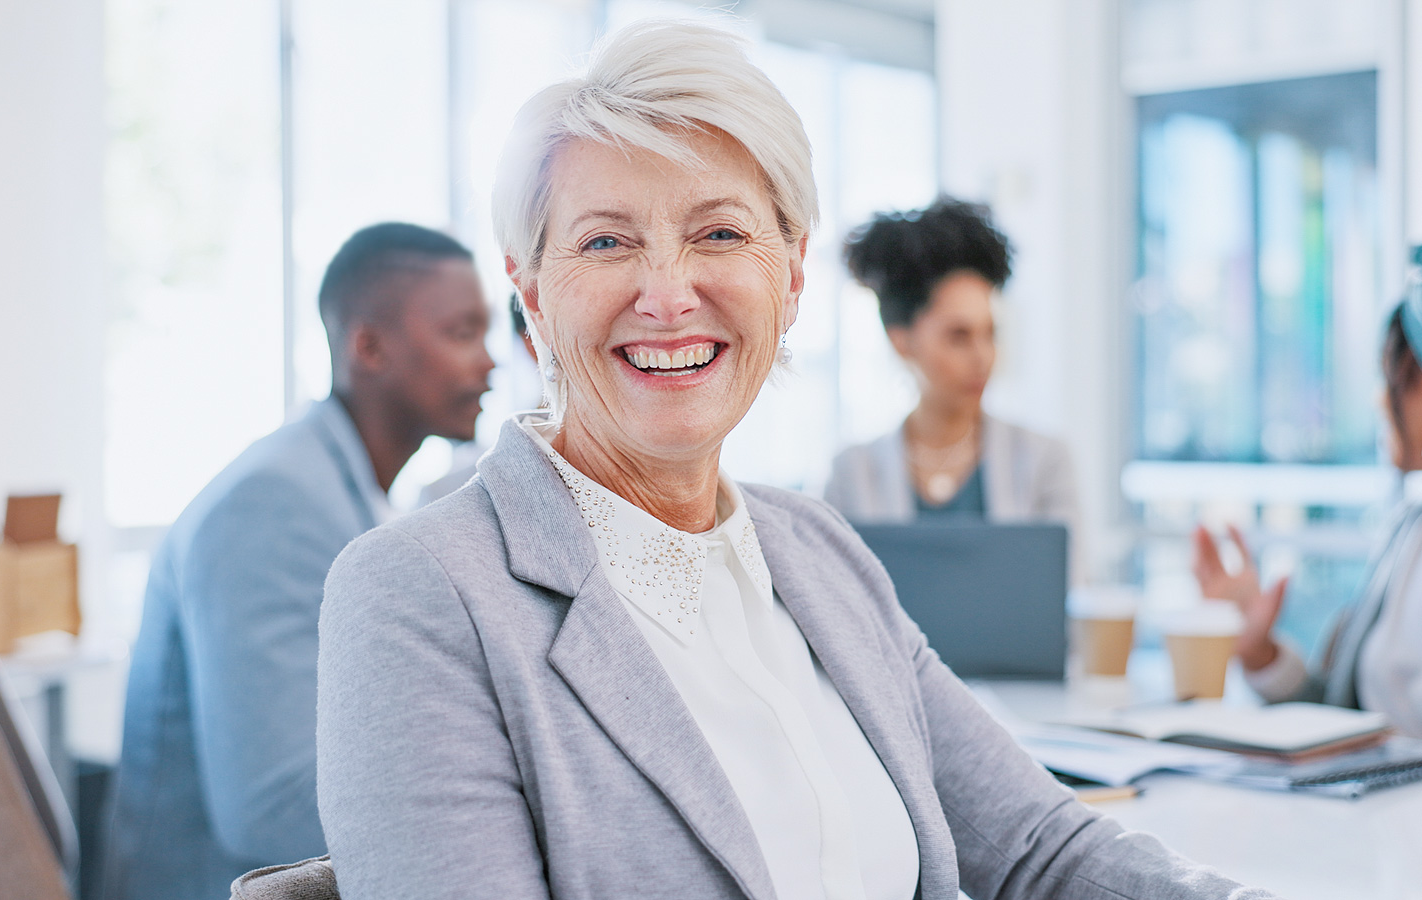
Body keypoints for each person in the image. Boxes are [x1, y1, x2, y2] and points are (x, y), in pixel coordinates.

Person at [316, 21, 1273, 900]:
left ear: (792, 274)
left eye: (719, 233)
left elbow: (1036, 849)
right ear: (530, 292)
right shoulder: (417, 597)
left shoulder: (818, 552)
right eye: (606, 241)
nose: (667, 294)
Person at [101, 223, 494, 900]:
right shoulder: (273, 505)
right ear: (368, 347)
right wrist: (493, 797)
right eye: (462, 333)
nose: (489, 363)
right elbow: (268, 810)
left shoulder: (340, 489)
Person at [1193, 301, 1422, 738]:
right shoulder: (1407, 531)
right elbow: (1341, 717)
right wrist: (1260, 650)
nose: (1380, 398)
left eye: (1395, 377)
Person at [824, 200, 1079, 532]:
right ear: (902, 341)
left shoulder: (1045, 461)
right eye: (959, 336)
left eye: (990, 334)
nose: (982, 356)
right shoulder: (851, 473)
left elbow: (1069, 579)